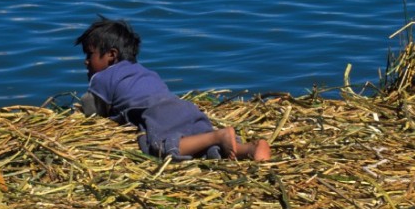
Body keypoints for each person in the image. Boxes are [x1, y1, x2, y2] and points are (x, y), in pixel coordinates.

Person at [75, 17, 271, 162]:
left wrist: (79, 112)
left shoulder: (102, 77)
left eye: (90, 55)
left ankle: (218, 135)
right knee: (201, 146)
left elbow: (92, 110)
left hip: (157, 113)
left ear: (111, 55)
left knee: (160, 148)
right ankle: (249, 149)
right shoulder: (145, 72)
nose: (86, 61)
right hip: (181, 107)